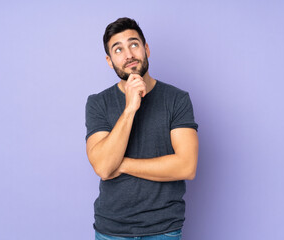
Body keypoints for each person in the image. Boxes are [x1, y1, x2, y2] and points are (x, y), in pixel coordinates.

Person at [85, 17, 199, 240]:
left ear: (146, 49)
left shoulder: (177, 99)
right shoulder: (98, 103)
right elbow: (104, 168)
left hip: (163, 229)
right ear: (110, 61)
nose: (128, 55)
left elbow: (187, 166)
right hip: (111, 230)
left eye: (134, 44)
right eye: (118, 49)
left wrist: (122, 164)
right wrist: (129, 109)